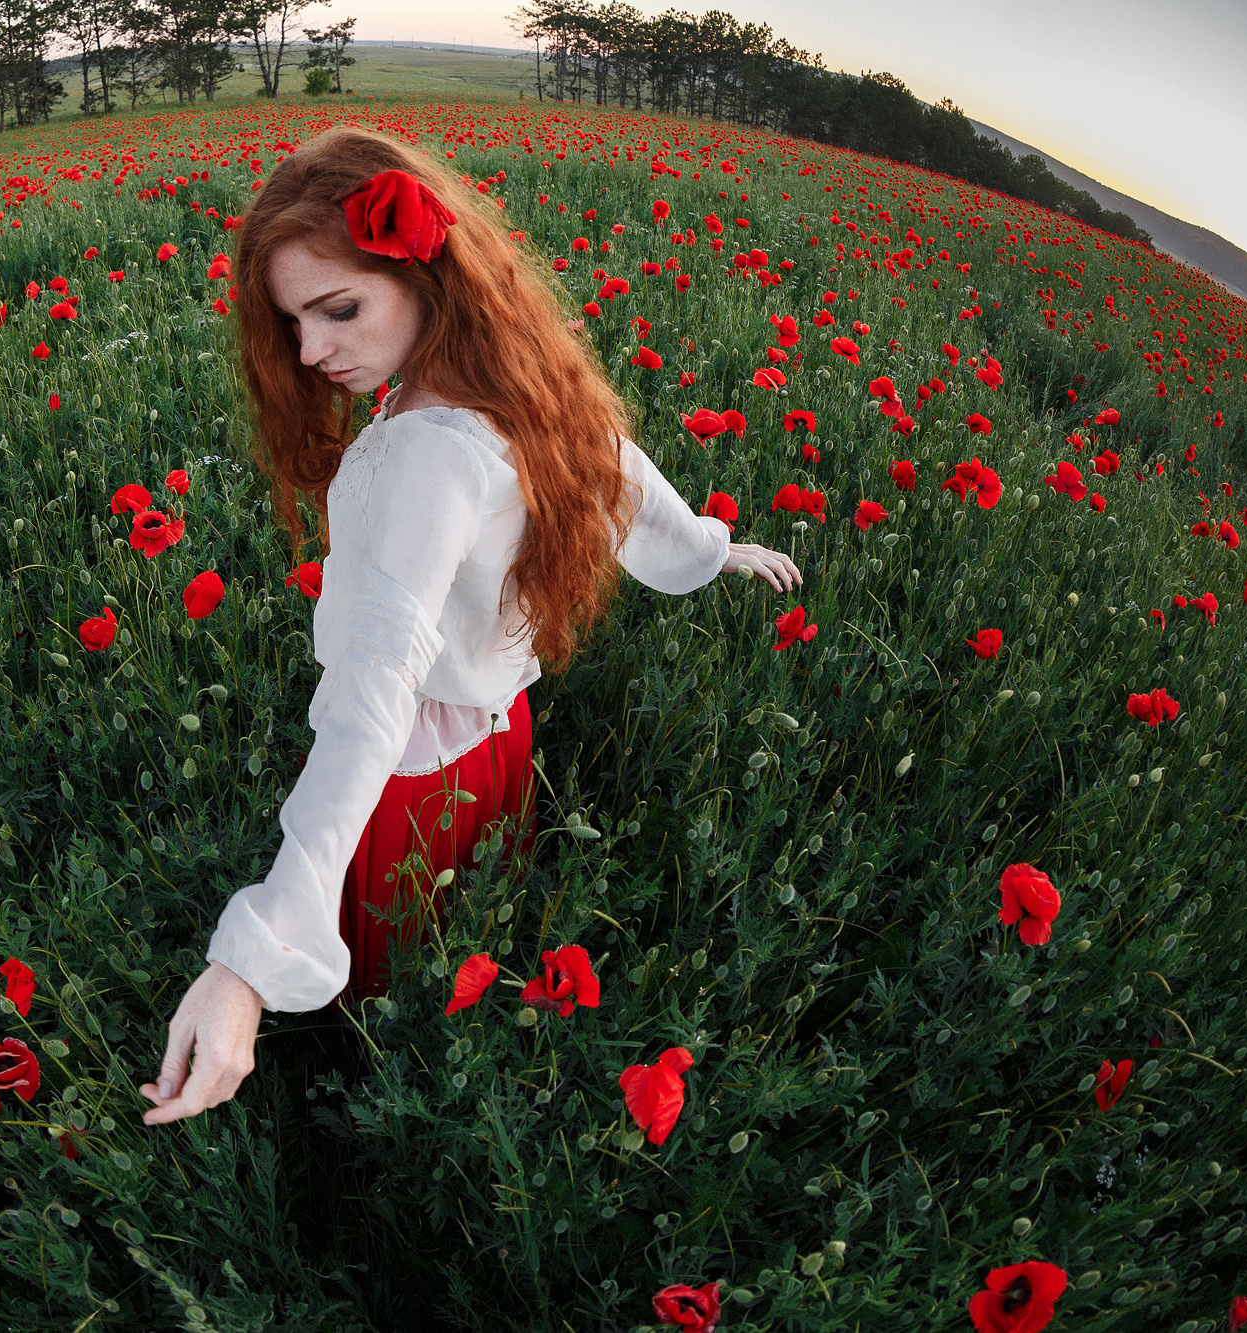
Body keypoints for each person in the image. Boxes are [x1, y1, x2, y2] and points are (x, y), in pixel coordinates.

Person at [139, 124, 804, 1126]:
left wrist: (248, 963)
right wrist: (707, 549)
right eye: (293, 321)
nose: (311, 351)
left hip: (411, 773)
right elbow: (614, 463)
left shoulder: (426, 453)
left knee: (397, 987)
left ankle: (388, 1115)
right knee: (465, 936)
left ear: (423, 273)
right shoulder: (511, 382)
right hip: (498, 739)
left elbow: (375, 688)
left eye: (339, 309)